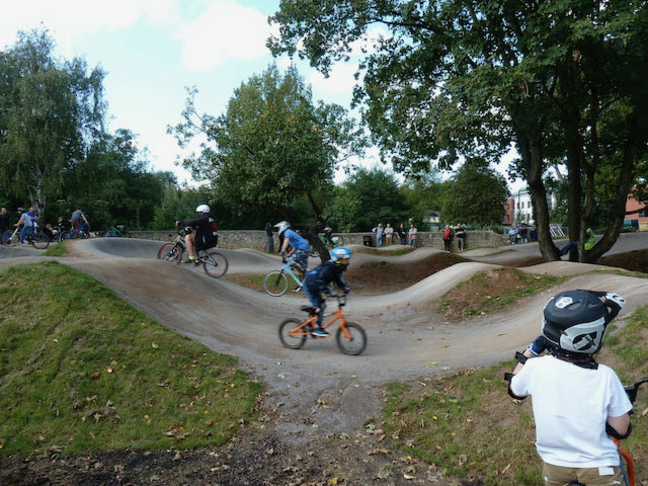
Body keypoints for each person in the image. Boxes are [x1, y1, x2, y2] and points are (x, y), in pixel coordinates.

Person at [505, 290, 631, 485]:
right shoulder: (605, 376)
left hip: (555, 467)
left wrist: (532, 350)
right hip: (599, 468)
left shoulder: (535, 368)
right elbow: (621, 430)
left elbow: (515, 389)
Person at [302, 247, 352, 337]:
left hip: (316, 285)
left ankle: (309, 323)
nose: (347, 262)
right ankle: (317, 327)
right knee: (320, 306)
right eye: (345, 260)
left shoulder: (337, 268)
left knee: (320, 305)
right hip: (310, 285)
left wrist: (345, 288)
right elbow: (320, 280)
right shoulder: (329, 267)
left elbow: (338, 280)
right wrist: (328, 291)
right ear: (338, 259)